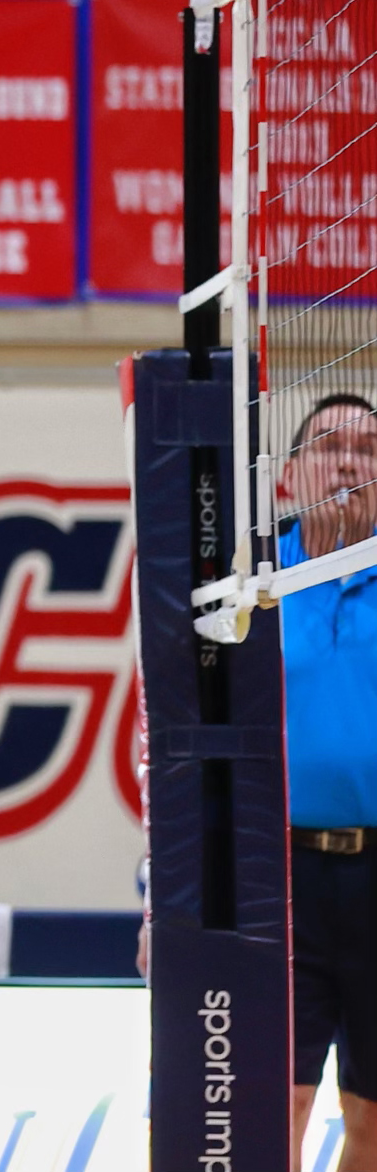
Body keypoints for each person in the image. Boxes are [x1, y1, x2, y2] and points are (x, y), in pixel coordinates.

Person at [277, 393, 377, 1169]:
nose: (349, 462)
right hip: (279, 882)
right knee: (274, 1109)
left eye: (370, 450)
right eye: (329, 446)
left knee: (370, 1125)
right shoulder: (249, 588)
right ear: (287, 476)